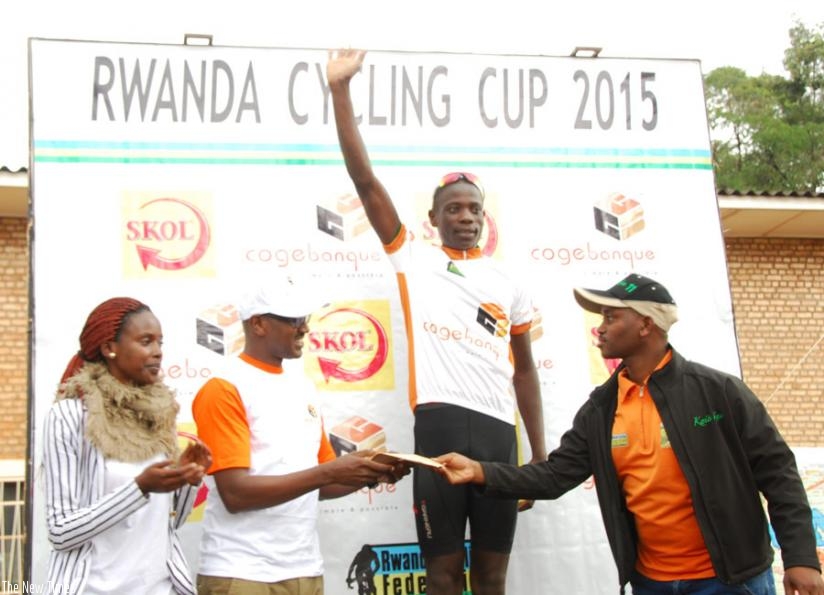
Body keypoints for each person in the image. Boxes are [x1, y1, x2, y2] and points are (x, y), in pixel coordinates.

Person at [436, 273, 824, 595]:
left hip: (730, 582)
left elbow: (779, 474)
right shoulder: (601, 409)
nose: (600, 328)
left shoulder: (717, 391)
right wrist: (480, 471)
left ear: (646, 324)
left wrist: (802, 559)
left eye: (611, 317)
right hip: (650, 584)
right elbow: (554, 475)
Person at [327, 49, 547, 595]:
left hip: (499, 439)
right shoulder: (414, 259)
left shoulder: (510, 283)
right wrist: (340, 90)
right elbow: (365, 182)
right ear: (433, 218)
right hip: (437, 429)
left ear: (484, 217)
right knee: (442, 577)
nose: (465, 217)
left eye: (474, 209)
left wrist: (540, 459)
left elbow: (525, 374)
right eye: (454, 208)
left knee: (492, 577)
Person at [192, 275, 406, 595]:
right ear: (258, 324)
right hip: (241, 574)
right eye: (293, 319)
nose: (304, 327)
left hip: (306, 572)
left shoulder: (302, 386)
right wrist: (330, 471)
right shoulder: (224, 388)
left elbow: (323, 484)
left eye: (305, 318)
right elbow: (236, 494)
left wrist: (371, 473)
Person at [43, 297, 211, 595]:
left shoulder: (159, 412)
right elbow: (61, 532)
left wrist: (187, 479)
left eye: (160, 342)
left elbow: (170, 523)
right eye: (146, 341)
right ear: (110, 348)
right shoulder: (70, 416)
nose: (158, 351)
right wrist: (139, 488)